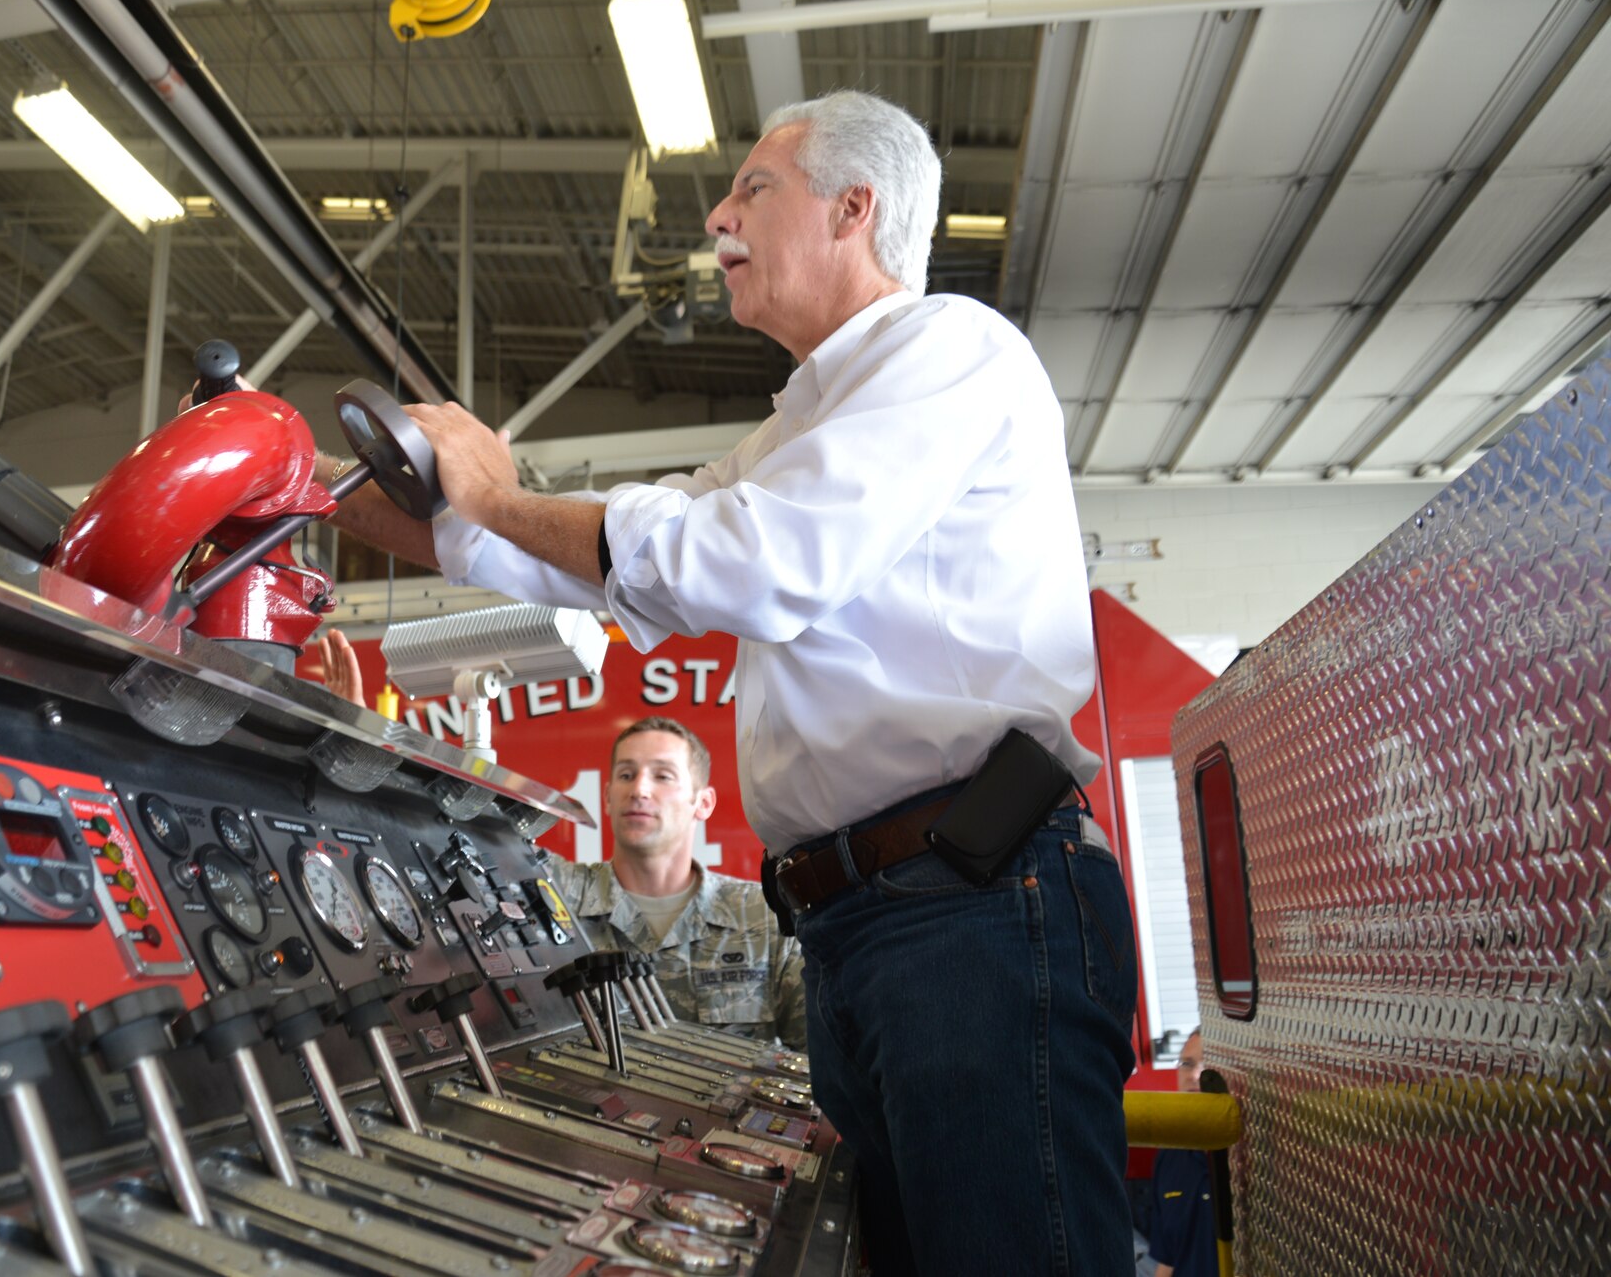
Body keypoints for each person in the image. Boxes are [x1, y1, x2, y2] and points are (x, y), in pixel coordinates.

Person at [314, 89, 1137, 1274]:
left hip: (975, 908)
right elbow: (616, 568)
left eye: (753, 187)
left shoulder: (946, 347)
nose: (716, 216)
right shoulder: (795, 433)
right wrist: (378, 508)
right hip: (868, 923)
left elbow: (751, 564)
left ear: (855, 208)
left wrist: (493, 496)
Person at [315, 631, 805, 1047]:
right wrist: (366, 749)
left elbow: (823, 1058)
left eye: (663, 776)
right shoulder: (548, 892)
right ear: (607, 795)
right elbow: (433, 838)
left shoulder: (761, 919)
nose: (640, 789)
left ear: (704, 803)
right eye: (627, 775)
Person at [1147, 1032, 1220, 1277]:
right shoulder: (1170, 1156)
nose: (1194, 1075)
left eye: (1208, 1065)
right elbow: (1168, 1261)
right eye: (1187, 1064)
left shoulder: (1260, 1158)